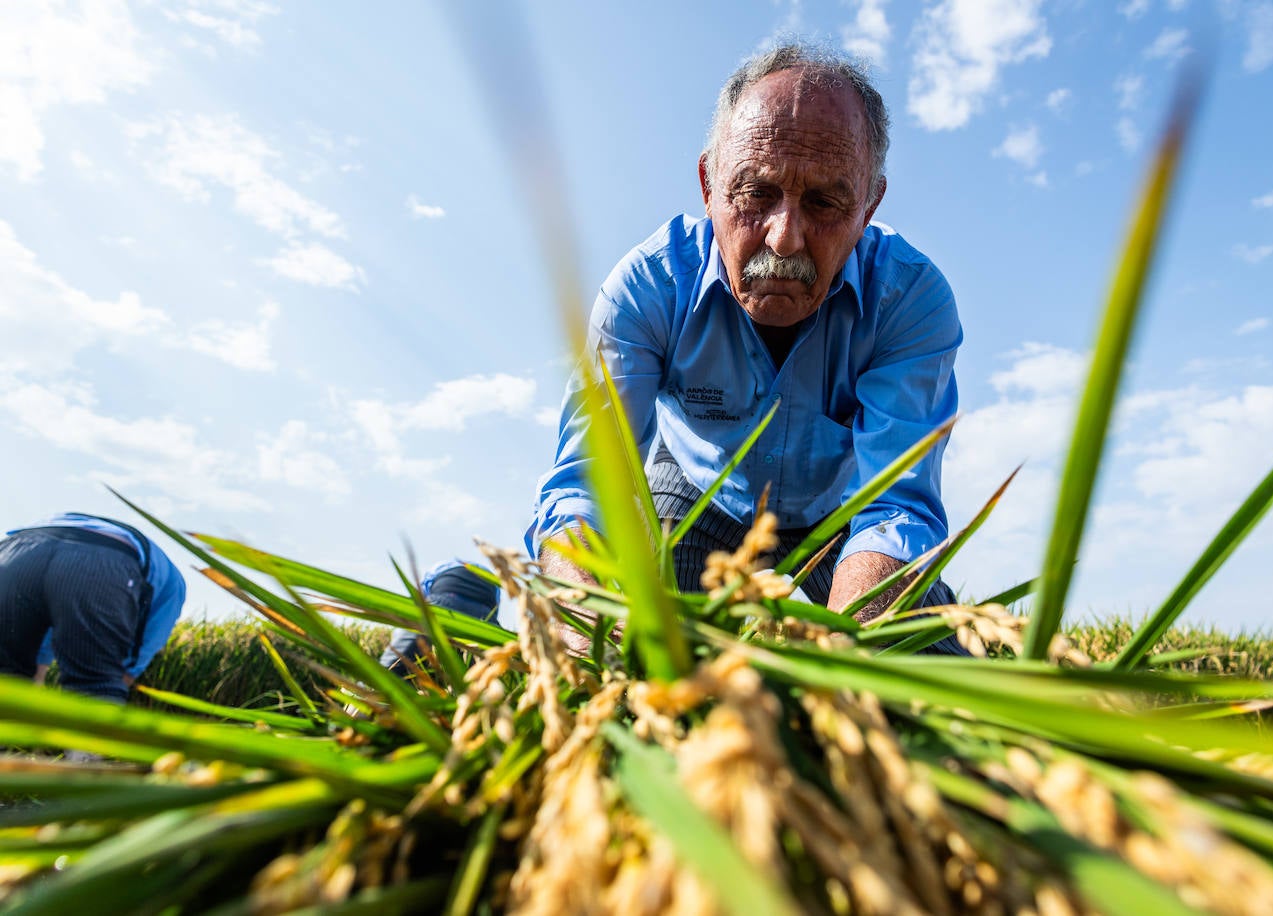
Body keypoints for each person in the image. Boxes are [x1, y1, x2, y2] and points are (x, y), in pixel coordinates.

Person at [527, 43, 966, 652]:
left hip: (841, 511)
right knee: (643, 660)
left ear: (868, 206)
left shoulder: (909, 302)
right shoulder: (646, 288)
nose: (785, 239)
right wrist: (586, 626)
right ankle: (460, 592)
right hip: (697, 492)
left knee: (936, 680)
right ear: (709, 186)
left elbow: (896, 505)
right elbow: (584, 486)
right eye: (756, 193)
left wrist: (848, 662)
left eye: (825, 202)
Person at [0, 512, 187, 702]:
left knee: (7, 678)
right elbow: (142, 649)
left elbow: (45, 627)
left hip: (16, 549)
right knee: (95, 686)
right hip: (103, 555)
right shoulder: (174, 587)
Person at [378, 558, 500, 673]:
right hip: (484, 614)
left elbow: (417, 605)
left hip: (443, 600)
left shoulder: (440, 567)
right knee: (485, 677)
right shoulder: (491, 579)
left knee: (388, 672)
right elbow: (494, 610)